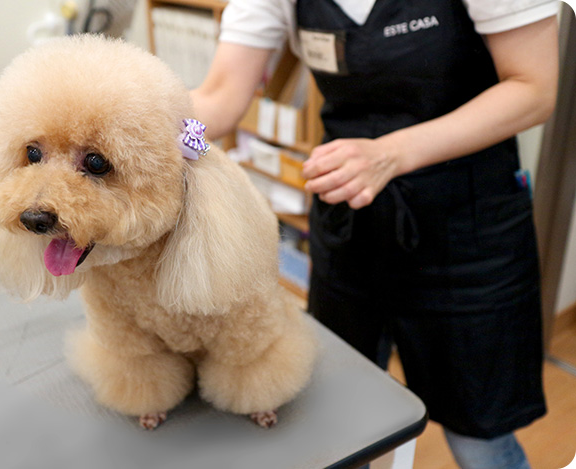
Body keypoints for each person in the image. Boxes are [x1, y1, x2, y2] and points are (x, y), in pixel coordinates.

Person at [190, 1, 561, 467]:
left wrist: (392, 153)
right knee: (342, 420)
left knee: (478, 438)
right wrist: (145, 135)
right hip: (351, 229)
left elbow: (534, 89)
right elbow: (219, 100)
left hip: (467, 228)